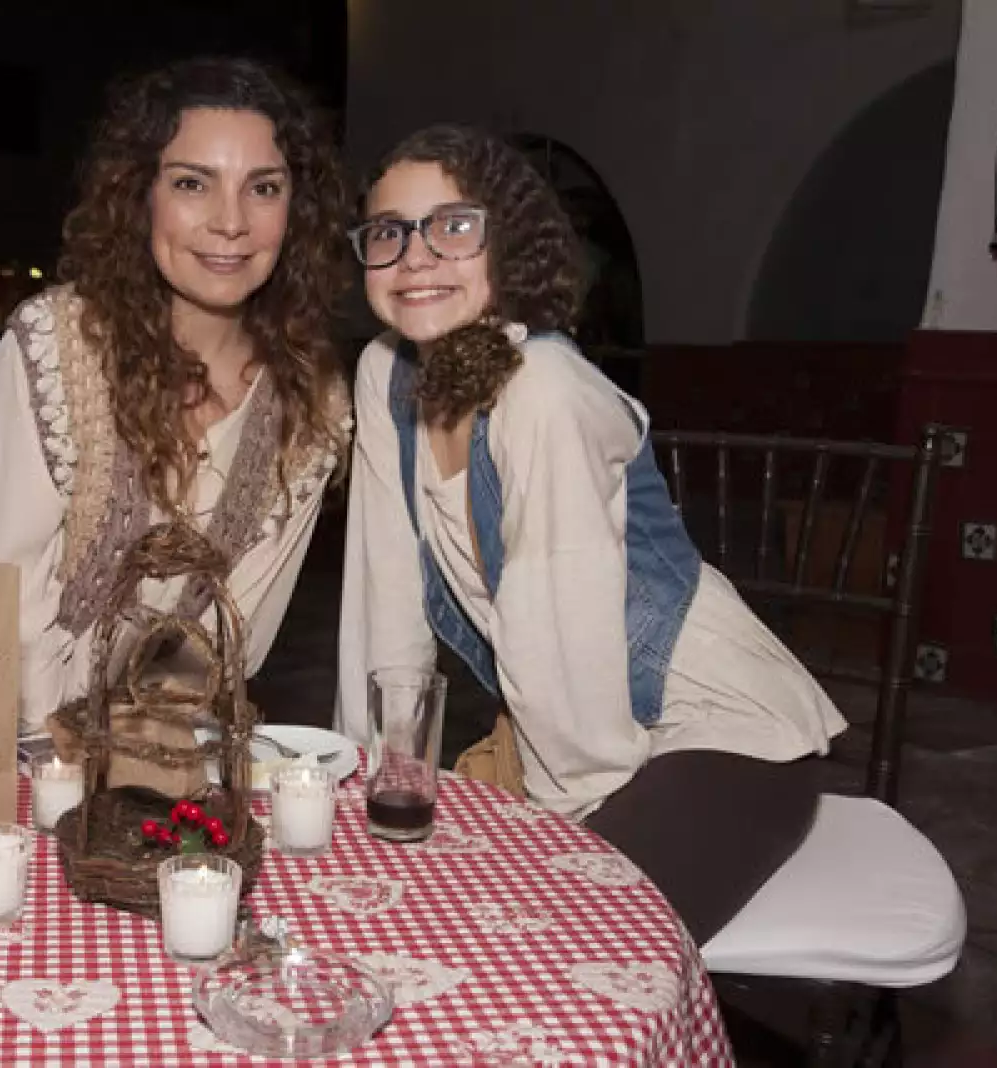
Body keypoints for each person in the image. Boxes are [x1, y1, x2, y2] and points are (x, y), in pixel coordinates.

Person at [336, 125, 846, 945]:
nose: (415, 257)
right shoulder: (386, 374)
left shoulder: (543, 387)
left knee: (555, 946)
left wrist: (569, 841)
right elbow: (383, 591)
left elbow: (555, 628)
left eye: (453, 226)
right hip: (576, 727)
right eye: (390, 232)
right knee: (390, 903)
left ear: (508, 241)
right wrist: (372, 771)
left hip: (722, 733)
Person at [0, 57, 352, 736]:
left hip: (166, 748)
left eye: (264, 188)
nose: (231, 222)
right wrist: (65, 757)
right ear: (141, 196)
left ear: (297, 209)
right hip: (1, 741)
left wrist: (148, 753)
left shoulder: (313, 402)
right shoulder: (57, 346)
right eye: (193, 183)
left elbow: (234, 638)